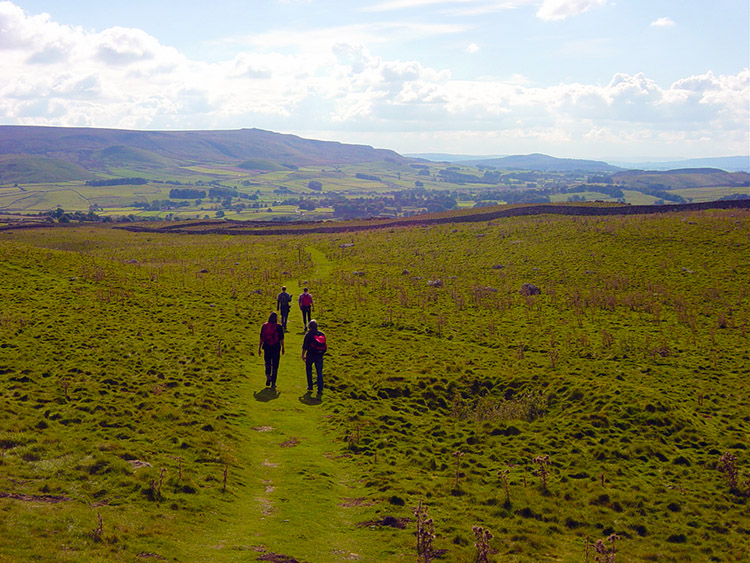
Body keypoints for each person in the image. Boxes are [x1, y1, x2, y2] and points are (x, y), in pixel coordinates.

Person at [258, 312, 285, 388]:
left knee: (267, 363)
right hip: (276, 347)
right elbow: (281, 339)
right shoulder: (279, 327)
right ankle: (273, 382)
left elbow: (261, 338)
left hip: (267, 347)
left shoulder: (265, 326)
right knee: (275, 365)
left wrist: (259, 348)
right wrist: (283, 348)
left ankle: (268, 376)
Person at [301, 319, 326, 395]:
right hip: (319, 355)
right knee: (319, 372)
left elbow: (305, 346)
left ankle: (310, 386)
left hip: (310, 354)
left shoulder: (308, 335)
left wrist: (303, 355)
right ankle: (320, 388)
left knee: (309, 370)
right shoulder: (321, 334)